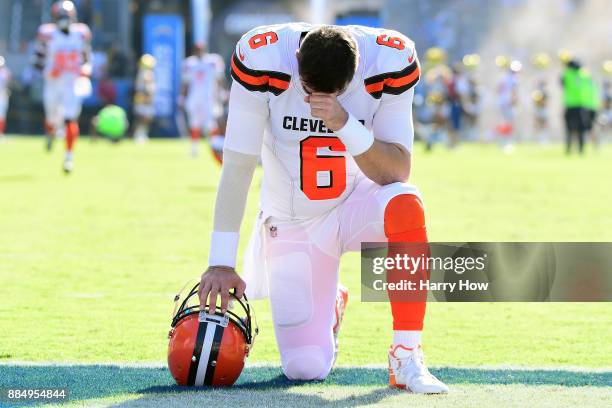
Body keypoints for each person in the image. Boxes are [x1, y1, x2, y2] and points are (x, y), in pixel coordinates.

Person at [199, 23, 448, 393]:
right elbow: (238, 164)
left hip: (357, 204)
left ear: (358, 68)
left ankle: (406, 354)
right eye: (308, 88)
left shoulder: (388, 59)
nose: (315, 99)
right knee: (305, 367)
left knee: (406, 203)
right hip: (294, 219)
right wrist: (220, 261)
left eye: (336, 91)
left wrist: (344, 122)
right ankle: (331, 303)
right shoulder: (263, 55)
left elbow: (396, 170)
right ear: (296, 60)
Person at [33, 0, 92, 172]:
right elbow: (37, 60)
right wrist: (47, 70)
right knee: (52, 119)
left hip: (71, 83)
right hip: (53, 82)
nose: (64, 19)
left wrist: (85, 70)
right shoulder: (47, 33)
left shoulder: (81, 33)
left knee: (70, 119)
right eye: (61, 16)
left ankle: (68, 157)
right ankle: (51, 132)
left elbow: (86, 58)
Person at [179, 43, 226, 159]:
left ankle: (215, 146)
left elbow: (219, 78)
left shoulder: (213, 61)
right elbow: (185, 83)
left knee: (211, 124)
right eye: (197, 50)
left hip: (209, 98)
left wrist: (222, 92)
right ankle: (194, 149)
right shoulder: (189, 63)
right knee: (194, 123)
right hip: (194, 98)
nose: (199, 52)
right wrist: (182, 97)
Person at [561, 60, 586, 154]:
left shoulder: (567, 75)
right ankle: (581, 150)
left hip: (570, 105)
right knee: (581, 129)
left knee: (569, 129)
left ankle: (568, 149)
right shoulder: (583, 75)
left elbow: (562, 83)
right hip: (581, 105)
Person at [132, 54, 156, 144]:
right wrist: (148, 97)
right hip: (144, 97)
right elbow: (147, 87)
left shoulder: (142, 72)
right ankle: (139, 135)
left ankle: (141, 134)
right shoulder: (146, 73)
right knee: (143, 117)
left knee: (145, 118)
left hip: (143, 97)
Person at [0, 56, 10, 139]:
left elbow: (7, 84)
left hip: (2, 95)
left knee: (2, 115)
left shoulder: (5, 72)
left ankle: (1, 133)